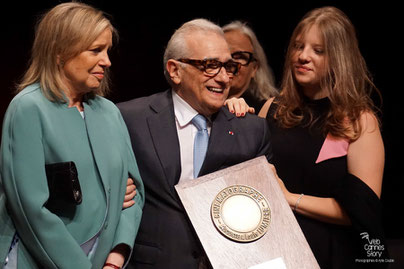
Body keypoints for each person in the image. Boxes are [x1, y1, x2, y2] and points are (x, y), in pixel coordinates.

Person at [227, 6, 387, 268]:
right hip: (272, 251)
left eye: (318, 50)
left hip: (329, 255)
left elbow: (362, 212)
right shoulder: (271, 108)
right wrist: (231, 117)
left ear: (339, 58)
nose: (303, 56)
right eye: (298, 47)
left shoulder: (359, 121)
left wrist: (289, 198)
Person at [117, 18, 272, 269]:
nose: (223, 78)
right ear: (175, 70)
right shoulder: (129, 119)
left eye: (228, 66)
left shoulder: (252, 131)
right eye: (210, 65)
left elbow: (261, 214)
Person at [0, 3, 144, 269]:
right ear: (59, 52)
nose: (107, 61)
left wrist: (116, 258)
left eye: (108, 50)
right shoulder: (29, 108)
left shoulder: (109, 112)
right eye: (96, 50)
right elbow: (31, 210)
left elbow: (134, 193)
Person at [223, 21, 278, 113]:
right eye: (224, 53)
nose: (231, 62)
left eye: (240, 56)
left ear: (254, 68)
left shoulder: (267, 112)